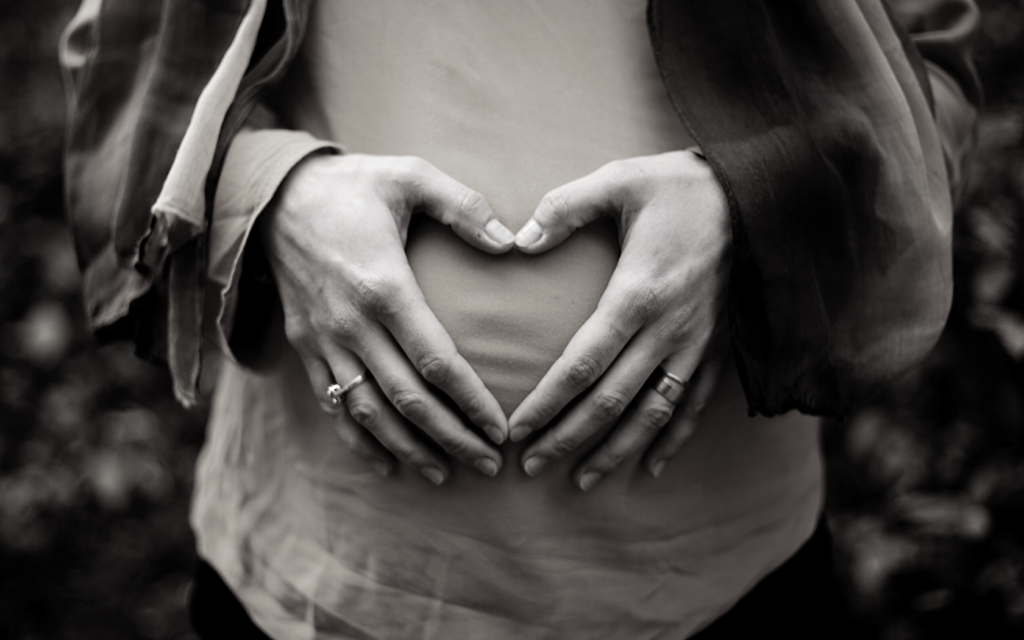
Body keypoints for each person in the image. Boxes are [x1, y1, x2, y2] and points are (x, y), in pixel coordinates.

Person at [60, 0, 980, 637]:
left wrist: (751, 209)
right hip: (315, 589)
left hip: (720, 592)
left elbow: (926, 86)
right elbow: (124, 83)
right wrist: (268, 197)